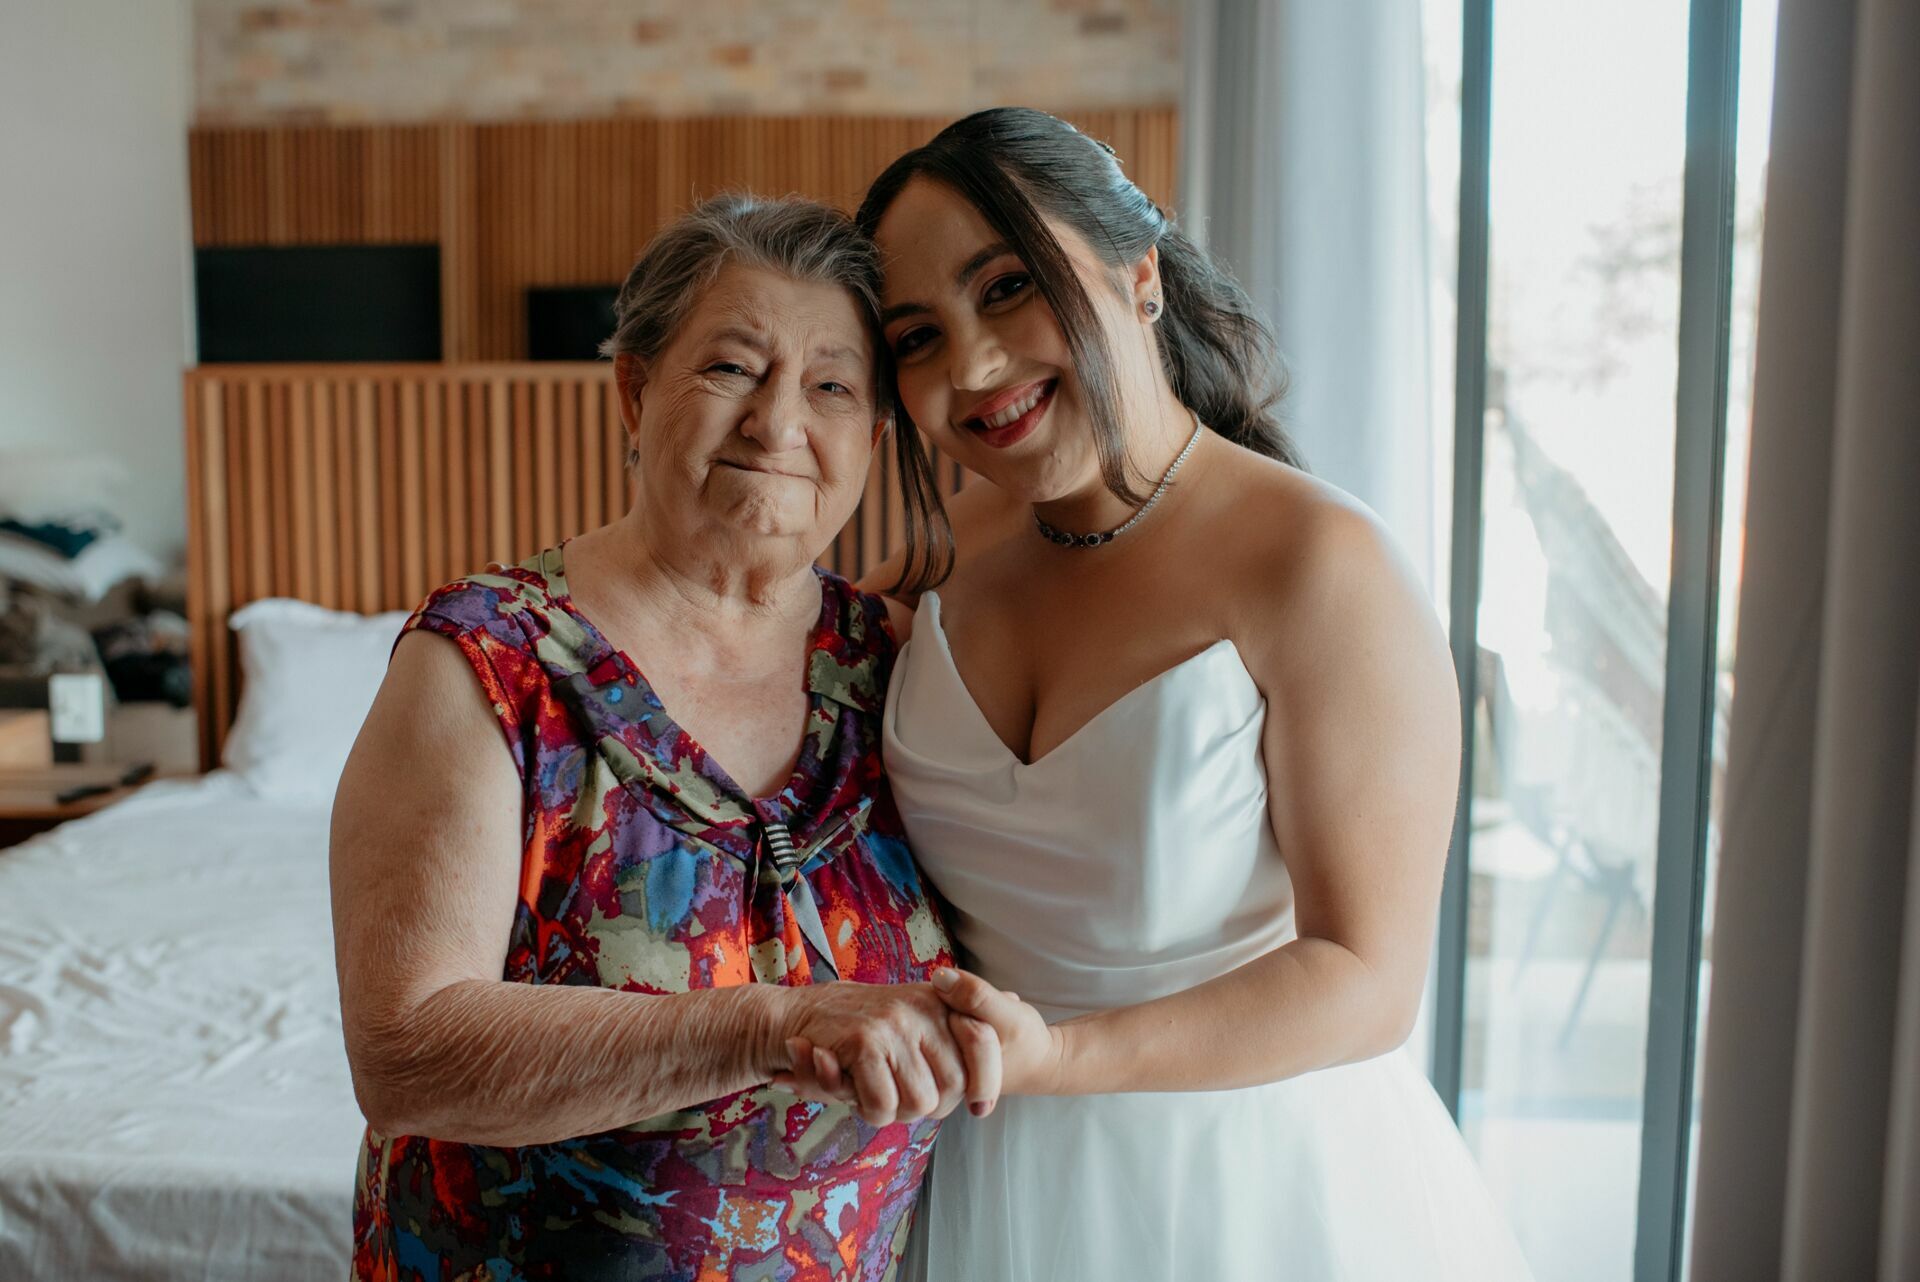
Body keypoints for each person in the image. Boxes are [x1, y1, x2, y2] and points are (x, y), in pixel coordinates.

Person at [778, 108, 1535, 1280]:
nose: (973, 369)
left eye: (1010, 286)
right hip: (980, 1170)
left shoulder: (1319, 564)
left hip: (1245, 1180)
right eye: (918, 337)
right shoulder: (935, 560)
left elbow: (1368, 980)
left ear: (1139, 276)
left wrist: (1053, 1060)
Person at [330, 194, 1001, 1282]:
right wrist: (765, 1027)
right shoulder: (488, 662)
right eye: (733, 367)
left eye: (830, 386)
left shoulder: (903, 664)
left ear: (872, 438)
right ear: (634, 393)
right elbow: (406, 1052)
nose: (778, 424)